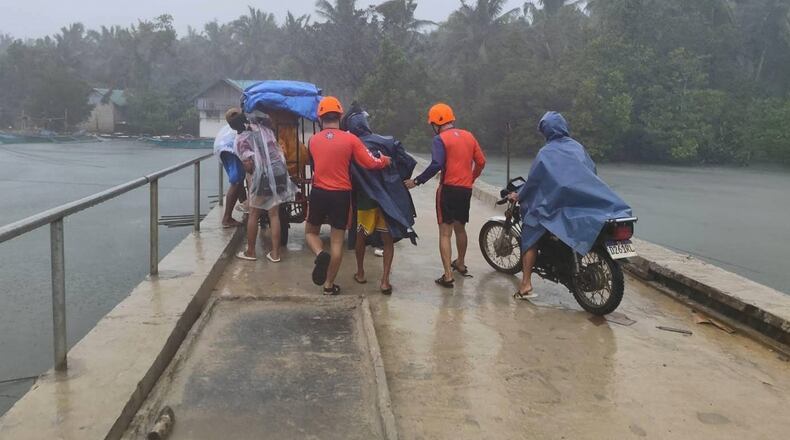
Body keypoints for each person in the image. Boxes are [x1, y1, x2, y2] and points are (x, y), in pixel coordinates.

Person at [508, 111, 632, 298]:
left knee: (530, 232)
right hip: (582, 202)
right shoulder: (578, 148)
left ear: (546, 131)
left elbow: (533, 181)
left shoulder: (545, 153)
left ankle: (525, 284)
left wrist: (519, 196)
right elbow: (592, 172)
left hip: (556, 206)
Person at [306, 97, 391, 295]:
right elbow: (370, 163)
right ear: (340, 117)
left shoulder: (313, 140)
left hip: (318, 192)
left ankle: (320, 254)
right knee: (337, 241)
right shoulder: (351, 139)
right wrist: (384, 161)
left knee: (311, 232)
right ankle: (328, 285)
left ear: (320, 118)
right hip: (341, 195)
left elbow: (313, 164)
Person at [404, 103, 486, 288]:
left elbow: (436, 165)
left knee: (445, 233)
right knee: (460, 228)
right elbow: (481, 161)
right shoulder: (469, 136)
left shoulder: (440, 140)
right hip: (465, 190)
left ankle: (448, 276)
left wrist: (416, 181)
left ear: (436, 123)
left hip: (448, 189)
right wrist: (471, 178)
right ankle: (461, 263)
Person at [342, 104, 418, 295]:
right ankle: (384, 281)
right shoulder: (388, 141)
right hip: (388, 199)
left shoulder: (351, 145)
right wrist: (396, 180)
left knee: (360, 235)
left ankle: (360, 273)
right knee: (387, 239)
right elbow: (407, 162)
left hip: (365, 199)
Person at [235, 111, 297, 263]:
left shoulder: (242, 138)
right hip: (280, 172)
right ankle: (275, 254)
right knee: (274, 214)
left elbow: (249, 164)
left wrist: (251, 174)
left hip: (263, 175)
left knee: (254, 213)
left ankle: (251, 252)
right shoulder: (267, 130)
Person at [215, 108, 249, 228]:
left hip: (223, 149)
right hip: (229, 150)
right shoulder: (240, 126)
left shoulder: (229, 127)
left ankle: (246, 208)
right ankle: (227, 218)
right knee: (236, 180)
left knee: (239, 179)